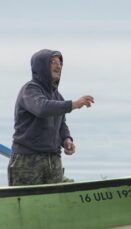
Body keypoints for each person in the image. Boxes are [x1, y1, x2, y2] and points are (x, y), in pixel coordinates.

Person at [8, 49, 94, 186]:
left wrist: (66, 139)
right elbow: (42, 108)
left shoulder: (57, 96)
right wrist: (74, 104)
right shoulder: (30, 90)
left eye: (60, 62)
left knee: (55, 203)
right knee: (28, 205)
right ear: (40, 66)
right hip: (28, 160)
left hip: (53, 160)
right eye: (52, 62)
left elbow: (61, 123)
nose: (58, 66)